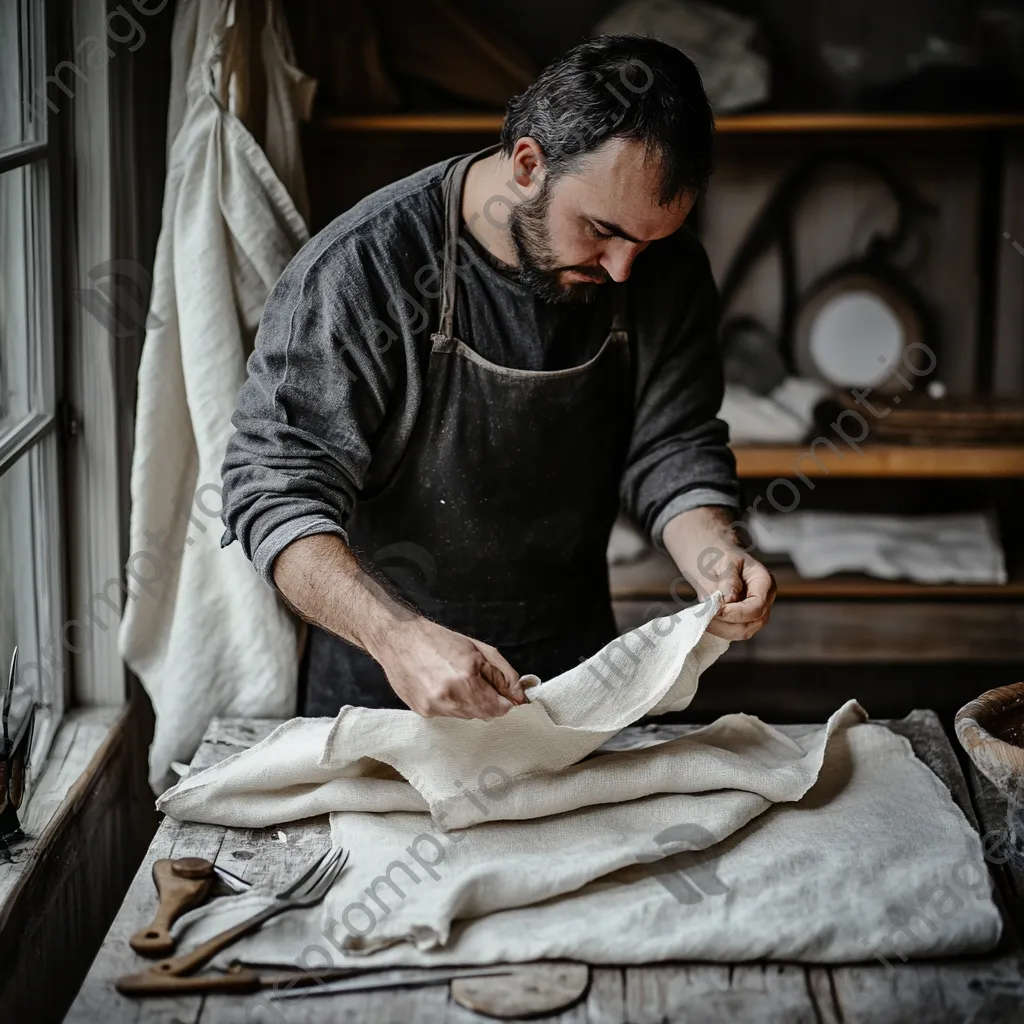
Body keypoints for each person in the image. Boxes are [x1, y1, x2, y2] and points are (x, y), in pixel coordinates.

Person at [220, 35, 776, 720]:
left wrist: (717, 555)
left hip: (579, 677)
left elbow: (671, 445)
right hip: (386, 688)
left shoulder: (670, 270)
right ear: (527, 163)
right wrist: (399, 639)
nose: (624, 269)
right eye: (602, 231)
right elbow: (273, 491)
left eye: (647, 242)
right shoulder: (362, 270)